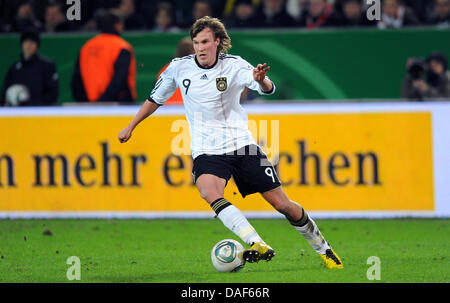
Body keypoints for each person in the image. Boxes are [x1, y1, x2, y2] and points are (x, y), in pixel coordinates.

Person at [118, 16, 343, 269]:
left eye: (205, 42)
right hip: (207, 151)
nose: (200, 47)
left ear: (217, 42)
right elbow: (154, 99)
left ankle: (325, 250)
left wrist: (260, 80)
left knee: (283, 205)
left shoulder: (235, 65)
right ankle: (256, 242)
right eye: (196, 42)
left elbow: (267, 87)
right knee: (208, 192)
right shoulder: (178, 68)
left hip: (243, 146)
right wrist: (132, 125)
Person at [71, 12, 137, 103]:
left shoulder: (86, 47)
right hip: (117, 104)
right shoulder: (122, 47)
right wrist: (104, 101)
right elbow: (120, 79)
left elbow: (76, 79)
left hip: (88, 104)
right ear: (117, 26)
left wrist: (83, 102)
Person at [1, 29, 58, 106]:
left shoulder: (47, 65)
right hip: (16, 113)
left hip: (40, 111)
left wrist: (33, 104)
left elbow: (52, 93)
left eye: (32, 42)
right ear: (22, 44)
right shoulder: (14, 68)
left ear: (37, 45)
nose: (28, 45)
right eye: (26, 42)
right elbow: (5, 91)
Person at [156, 37, 194, 105]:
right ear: (193, 51)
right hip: (183, 108)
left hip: (166, 110)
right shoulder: (197, 69)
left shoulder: (167, 69)